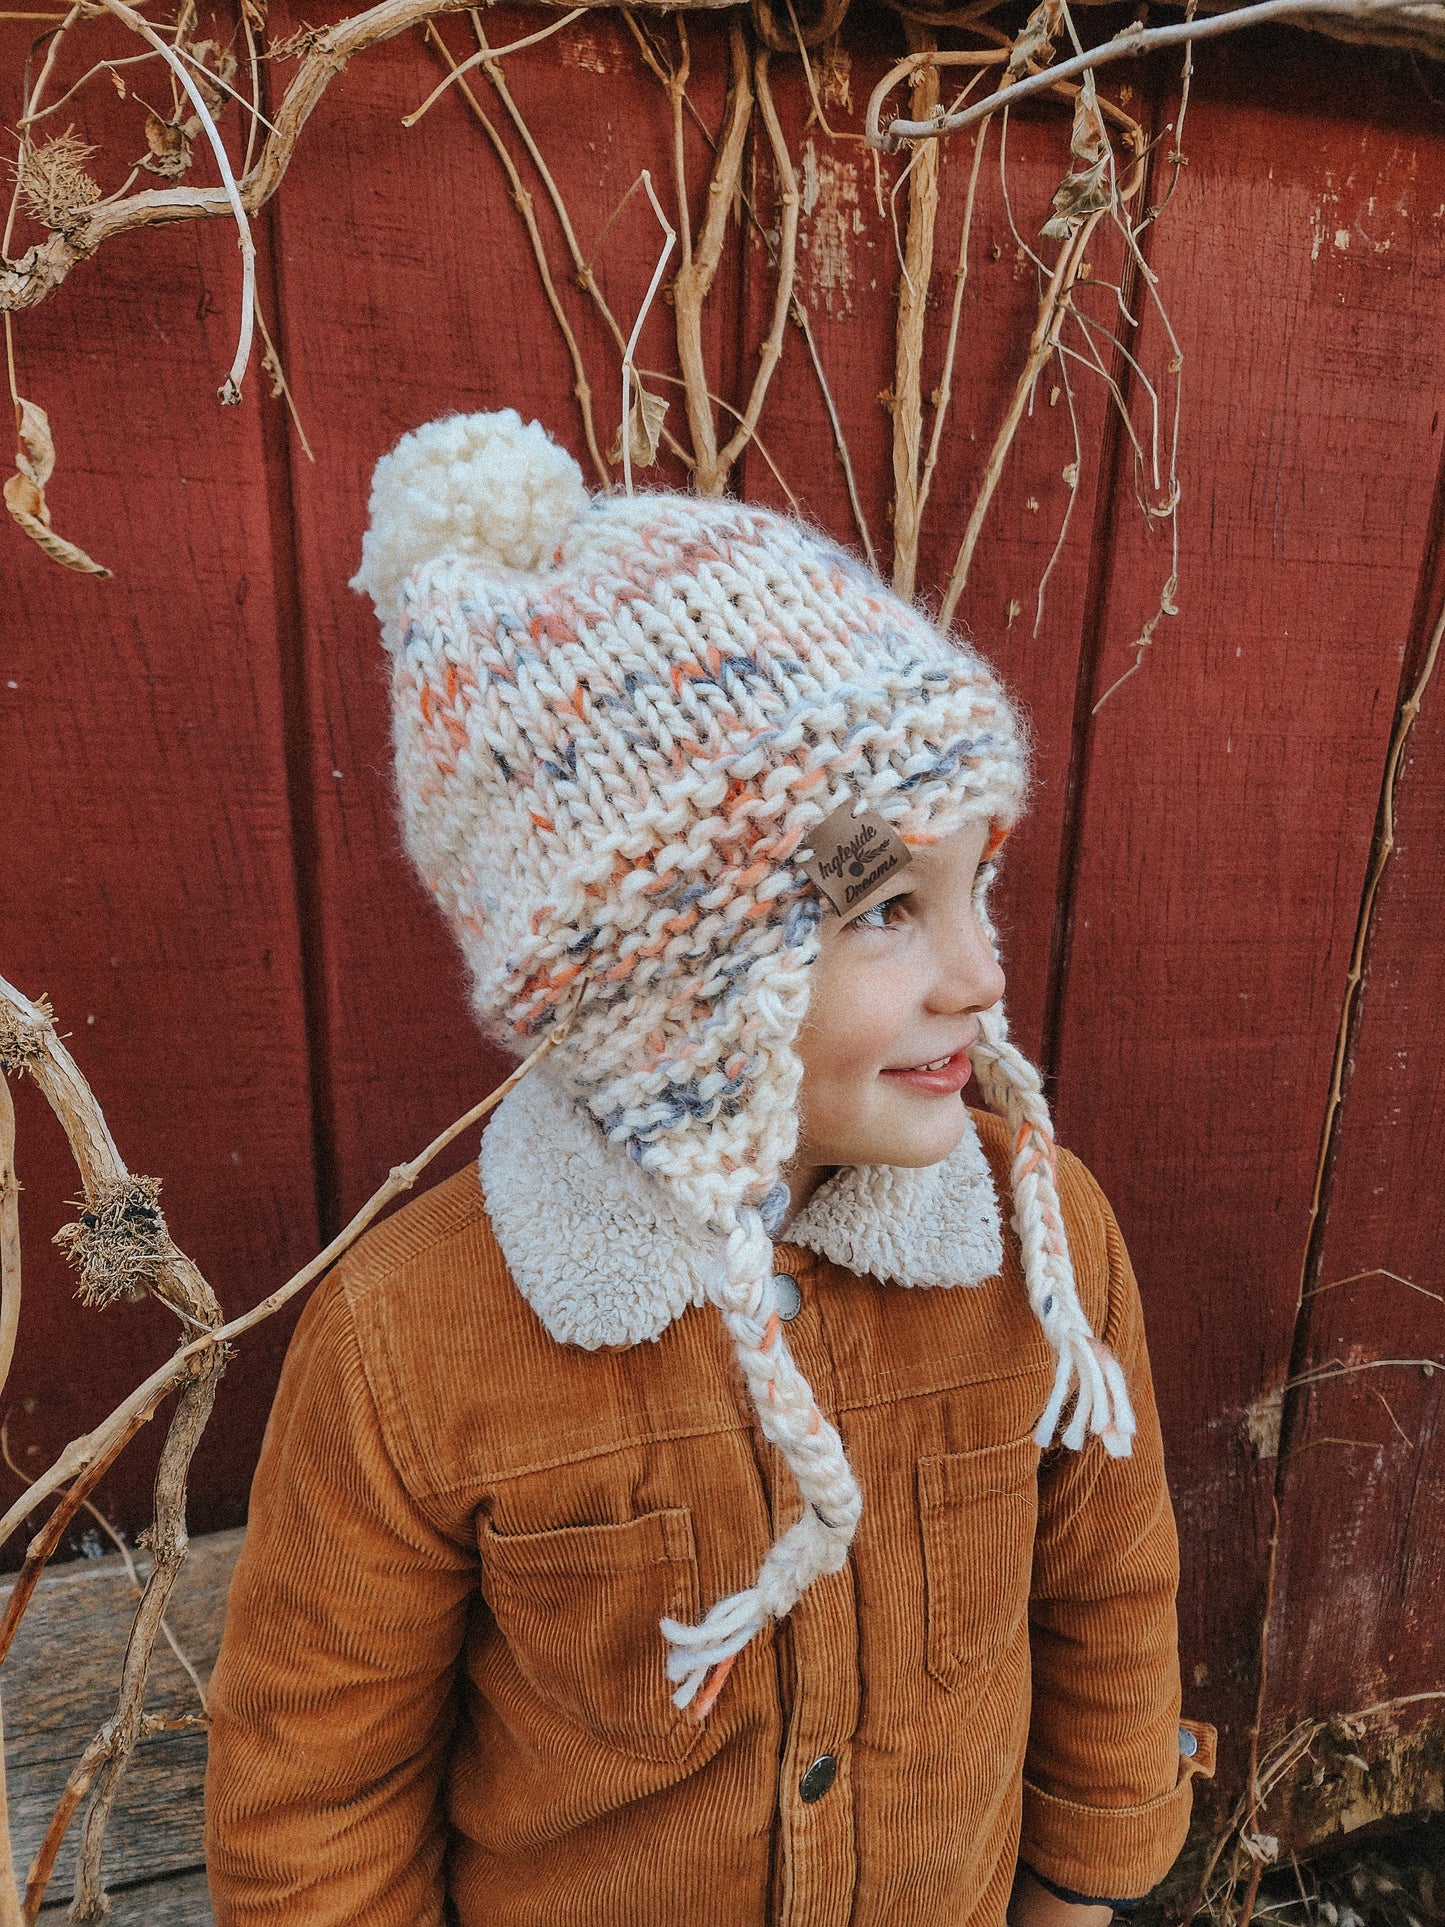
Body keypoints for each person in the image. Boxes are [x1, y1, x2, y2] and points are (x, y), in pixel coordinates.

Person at [204, 409, 1213, 1925]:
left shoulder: (1038, 1241)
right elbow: (313, 1800)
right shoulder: (412, 1344)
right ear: (663, 990)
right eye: (884, 906)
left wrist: (1077, 1899)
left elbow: (1107, 1606)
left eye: (973, 888)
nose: (979, 978)